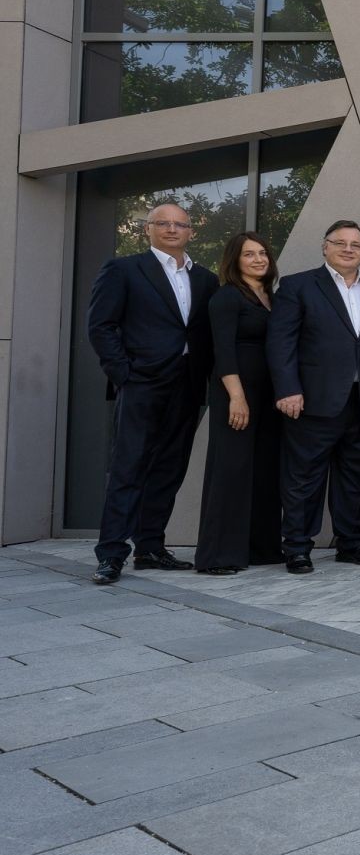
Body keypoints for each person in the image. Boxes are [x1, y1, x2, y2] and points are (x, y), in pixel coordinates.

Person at [86, 201, 215, 584]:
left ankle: (150, 548)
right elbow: (101, 325)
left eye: (180, 224)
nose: (172, 229)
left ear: (191, 231)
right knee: (128, 468)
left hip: (188, 385)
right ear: (148, 229)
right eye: (163, 223)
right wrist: (124, 374)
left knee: (169, 470)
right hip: (141, 382)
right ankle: (111, 554)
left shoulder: (206, 279)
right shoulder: (123, 269)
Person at [268, 220, 360, 574]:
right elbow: (281, 343)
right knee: (304, 478)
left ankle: (352, 545)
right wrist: (288, 389)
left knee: (356, 478)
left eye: (356, 244)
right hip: (312, 401)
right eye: (340, 242)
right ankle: (297, 548)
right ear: (325, 246)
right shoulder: (298, 286)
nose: (348, 249)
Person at [193, 232, 282, 574]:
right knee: (231, 471)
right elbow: (223, 351)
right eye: (249, 254)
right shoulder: (227, 297)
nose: (259, 259)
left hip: (269, 396)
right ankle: (217, 556)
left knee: (264, 471)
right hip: (236, 395)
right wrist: (237, 397)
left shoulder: (271, 296)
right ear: (235, 260)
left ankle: (261, 549)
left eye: (263, 253)